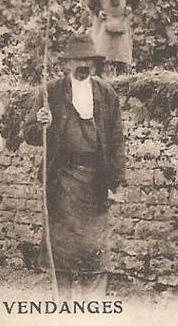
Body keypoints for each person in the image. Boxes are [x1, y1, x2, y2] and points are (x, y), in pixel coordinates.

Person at [22, 33, 126, 299]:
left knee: (95, 248)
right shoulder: (51, 92)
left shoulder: (106, 94)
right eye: (78, 60)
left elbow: (116, 141)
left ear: (93, 63)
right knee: (62, 248)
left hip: (95, 182)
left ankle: (93, 305)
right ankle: (63, 304)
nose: (83, 65)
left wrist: (116, 182)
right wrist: (40, 123)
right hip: (61, 180)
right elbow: (30, 133)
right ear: (68, 63)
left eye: (87, 60)